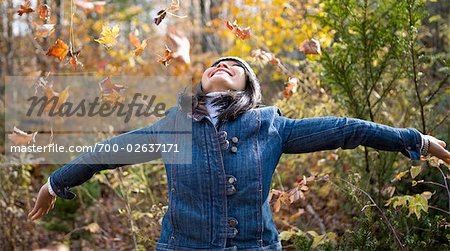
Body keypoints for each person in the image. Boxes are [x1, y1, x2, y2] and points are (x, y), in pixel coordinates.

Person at [29, 56, 449, 251]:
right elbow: (107, 153)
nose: (221, 65)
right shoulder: (171, 127)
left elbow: (345, 130)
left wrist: (415, 140)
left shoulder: (271, 127)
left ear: (248, 86)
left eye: (234, 66)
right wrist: (55, 182)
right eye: (213, 65)